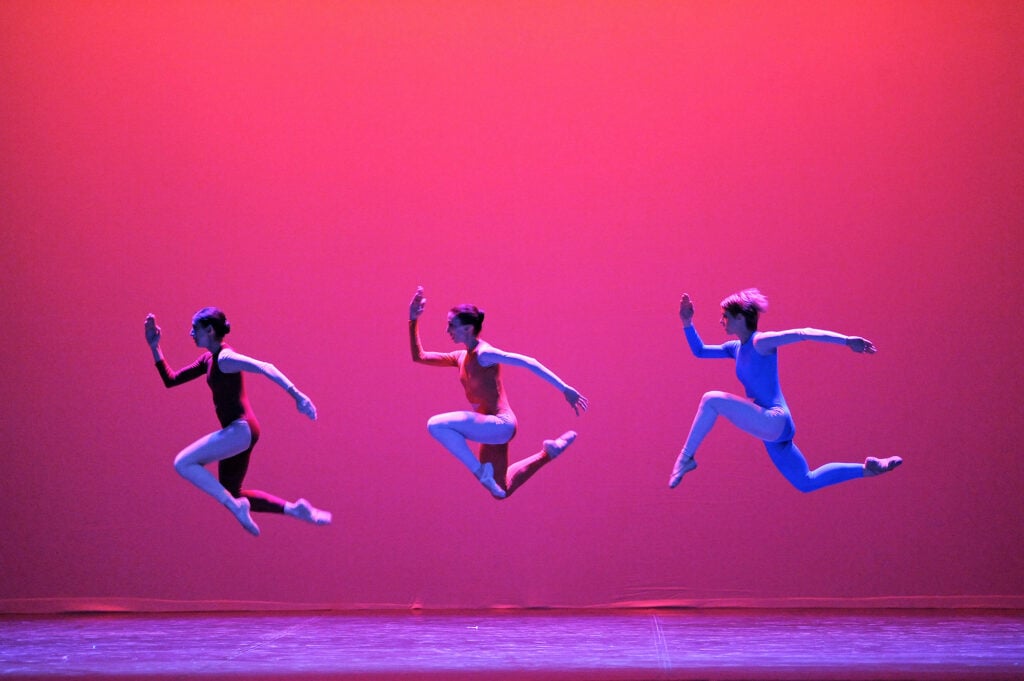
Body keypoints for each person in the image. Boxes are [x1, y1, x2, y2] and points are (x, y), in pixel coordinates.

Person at [669, 289, 902, 492]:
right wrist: (687, 322)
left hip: (774, 419)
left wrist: (846, 341)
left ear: (740, 318)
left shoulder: (762, 342)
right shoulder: (735, 348)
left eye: (725, 316)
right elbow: (699, 351)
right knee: (805, 481)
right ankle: (868, 469)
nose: (721, 321)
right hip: (771, 429)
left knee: (712, 399)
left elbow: (803, 333)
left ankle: (686, 456)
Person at [145, 308, 331, 536]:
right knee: (233, 491)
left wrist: (298, 396)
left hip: (240, 430)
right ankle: (295, 510)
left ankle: (235, 507)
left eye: (195, 329)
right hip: (240, 432)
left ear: (210, 330)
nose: (190, 333)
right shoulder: (209, 359)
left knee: (183, 463)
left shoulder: (225, 358)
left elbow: (266, 366)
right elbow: (171, 380)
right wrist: (155, 347)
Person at [408, 286, 589, 499]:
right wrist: (413, 320)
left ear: (467, 328)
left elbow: (527, 362)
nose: (447, 330)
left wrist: (564, 388)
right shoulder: (460, 357)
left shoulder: (484, 353)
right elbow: (419, 356)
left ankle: (479, 472)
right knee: (500, 490)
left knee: (436, 425)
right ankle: (549, 452)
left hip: (501, 424)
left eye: (451, 325)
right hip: (490, 429)